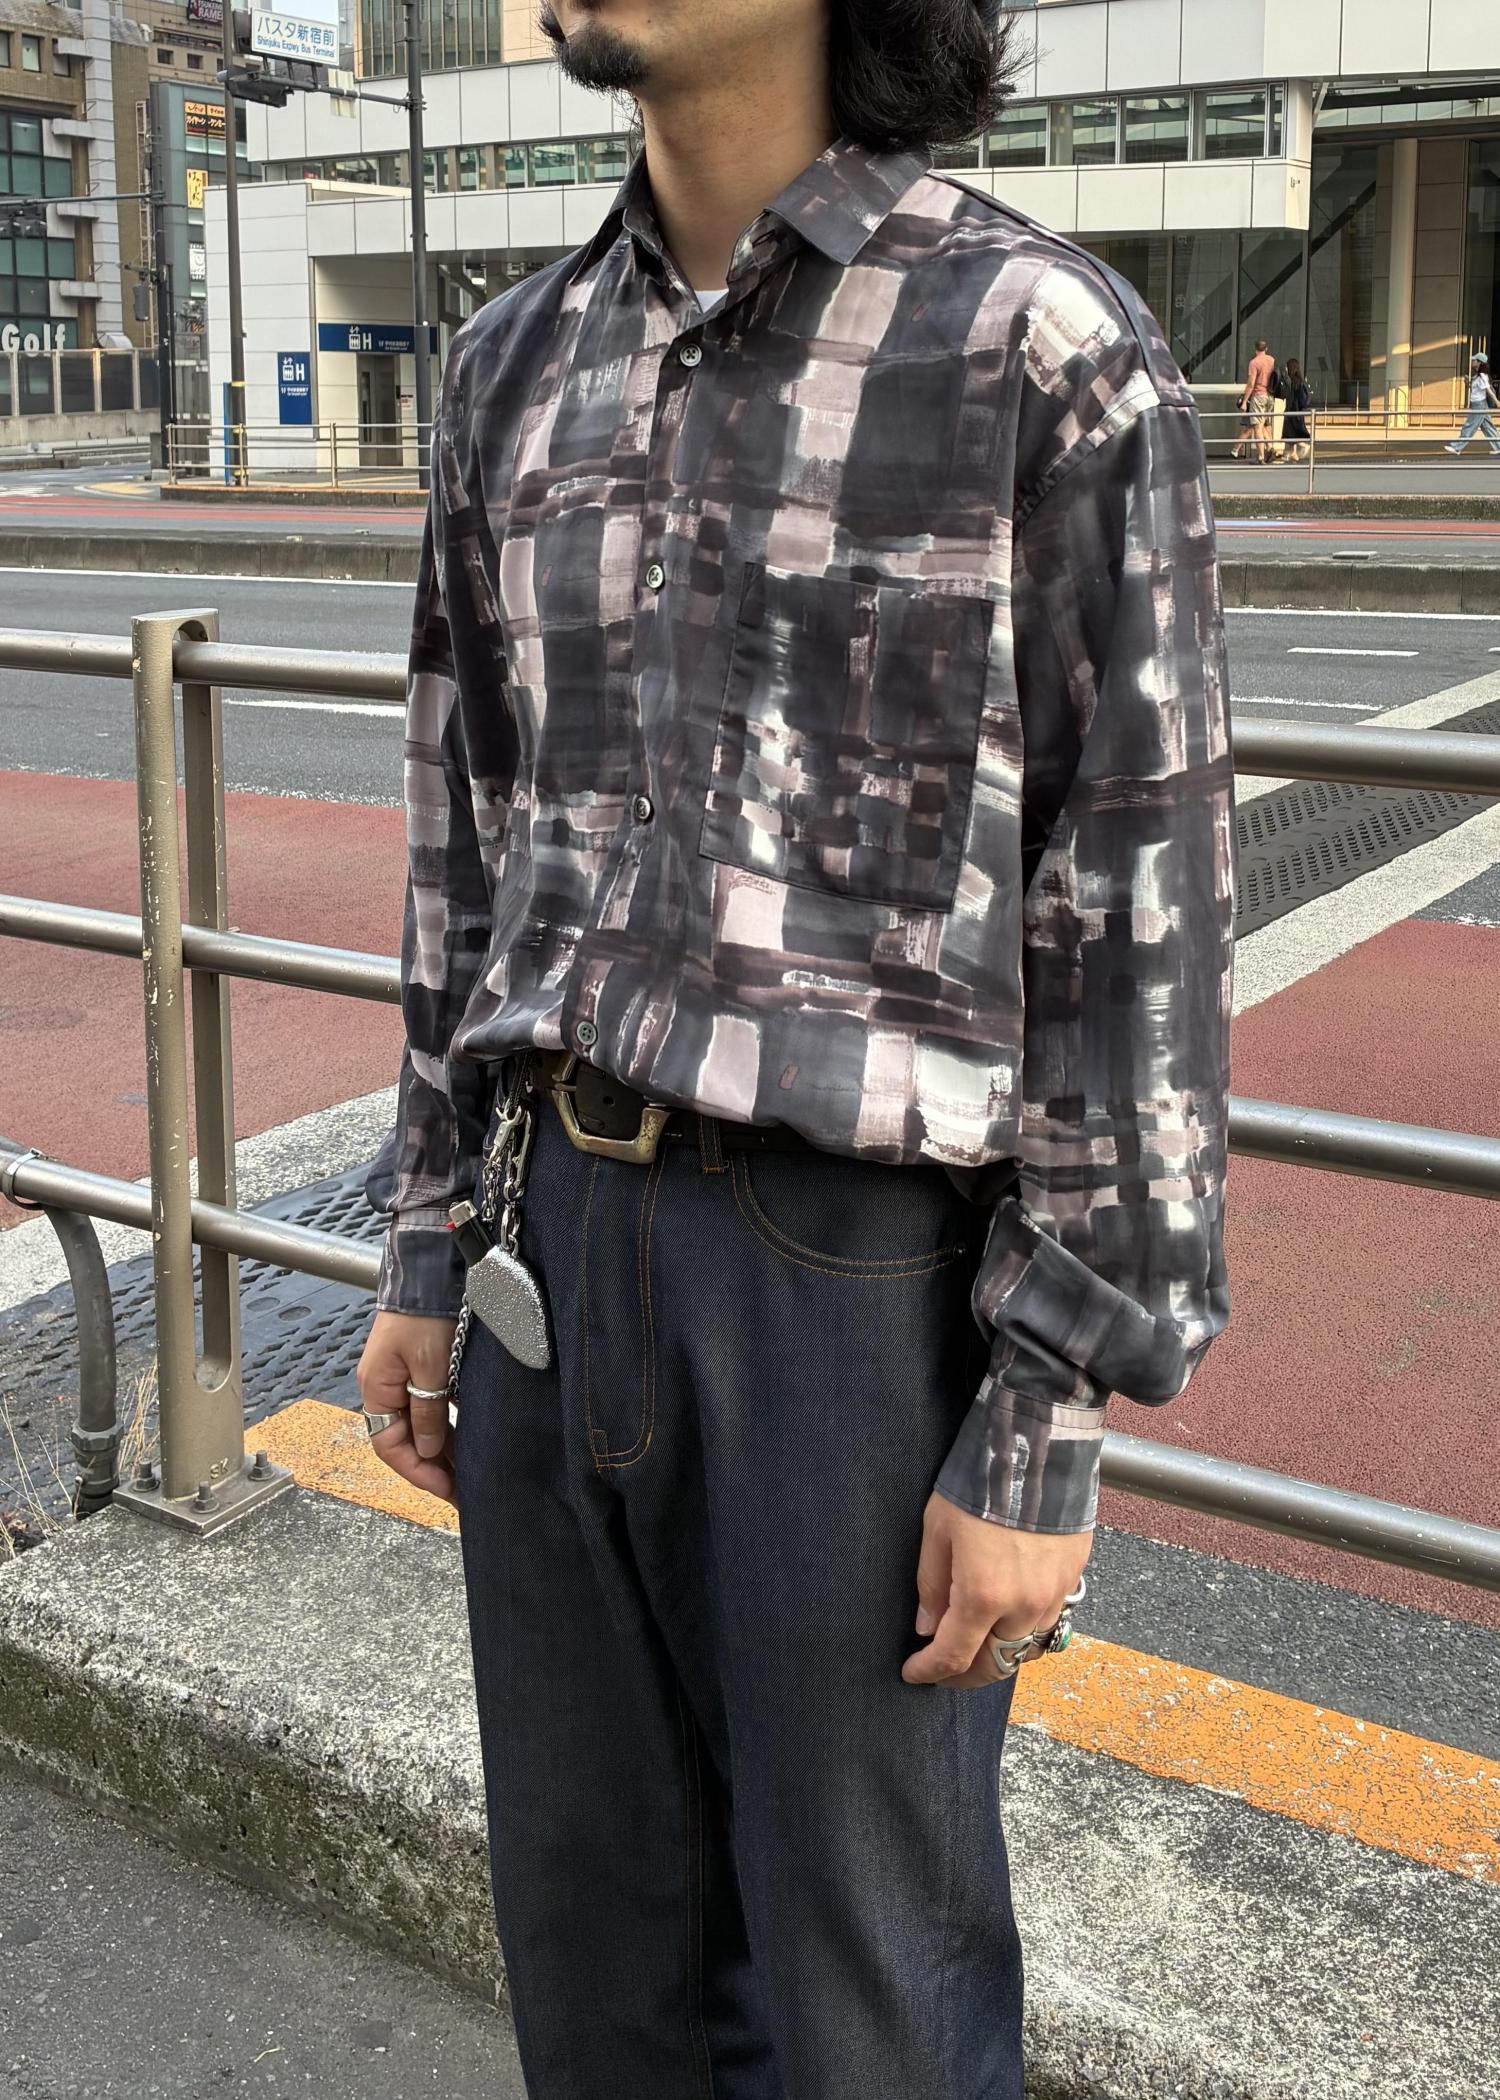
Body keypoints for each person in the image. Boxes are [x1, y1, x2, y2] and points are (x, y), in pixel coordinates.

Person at [357, 2, 1234, 2095]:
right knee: (595, 1968)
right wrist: (423, 1237)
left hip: (847, 1279)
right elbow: (466, 831)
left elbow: (1139, 897)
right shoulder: (509, 366)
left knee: (872, 2009)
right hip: (542, 1231)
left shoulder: (1034, 345)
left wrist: (1049, 1409)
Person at [1446, 353, 1500, 456]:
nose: (1472, 362)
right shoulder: (1477, 376)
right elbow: (1476, 389)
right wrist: (1468, 383)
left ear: (1479, 362)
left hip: (1479, 405)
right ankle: (1499, 447)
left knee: (1469, 426)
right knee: (1488, 427)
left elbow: (1488, 390)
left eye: (1474, 360)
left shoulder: (1482, 376)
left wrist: (1497, 401)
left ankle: (1457, 448)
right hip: (1479, 404)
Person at [1238, 337, 1277, 461]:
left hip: (1258, 396)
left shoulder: (1254, 363)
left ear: (1255, 349)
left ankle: (1261, 456)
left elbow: (1251, 384)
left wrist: (1244, 401)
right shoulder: (1271, 360)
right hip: (1270, 396)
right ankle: (1270, 447)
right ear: (1266, 349)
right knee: (1266, 424)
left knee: (1257, 427)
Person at [1281, 357, 1313, 463]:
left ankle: (1299, 448)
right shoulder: (1300, 381)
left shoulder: (1289, 381)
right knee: (1294, 432)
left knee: (1291, 433)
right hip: (1298, 411)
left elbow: (1286, 395)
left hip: (1291, 410)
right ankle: (1293, 453)